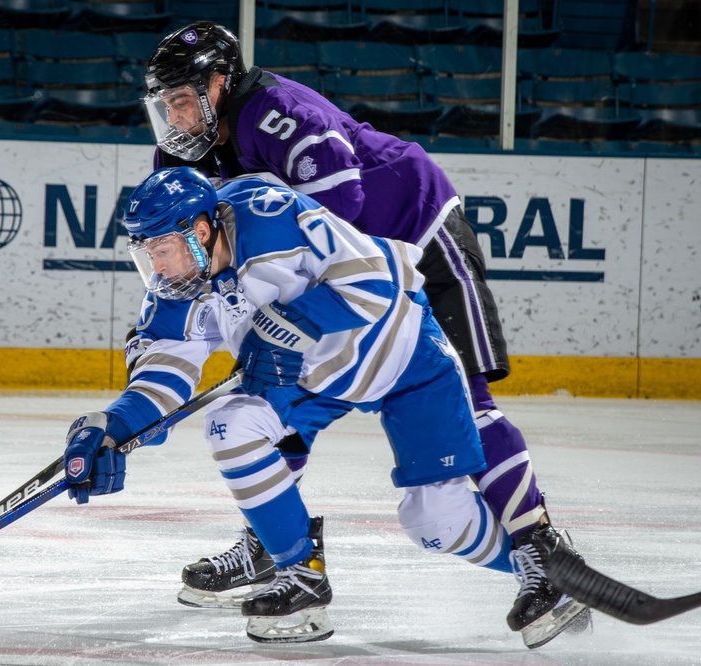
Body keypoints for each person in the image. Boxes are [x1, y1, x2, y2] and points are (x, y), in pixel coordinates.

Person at [129, 22, 590, 648]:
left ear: (220, 81)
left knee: (469, 401)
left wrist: (290, 315)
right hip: (342, 283)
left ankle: (541, 550)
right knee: (274, 407)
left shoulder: (277, 115)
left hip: (415, 236)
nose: (175, 117)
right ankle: (274, 542)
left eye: (184, 98)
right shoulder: (183, 153)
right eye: (167, 104)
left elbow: (336, 218)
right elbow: (196, 251)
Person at [64, 166, 589, 646]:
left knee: (435, 523)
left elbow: (375, 283)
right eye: (146, 254)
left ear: (199, 232)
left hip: (399, 352)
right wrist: (114, 427)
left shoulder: (267, 215)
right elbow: (163, 378)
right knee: (229, 424)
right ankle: (301, 575)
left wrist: (286, 327)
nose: (155, 267)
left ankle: (550, 573)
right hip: (313, 380)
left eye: (161, 250)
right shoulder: (175, 290)